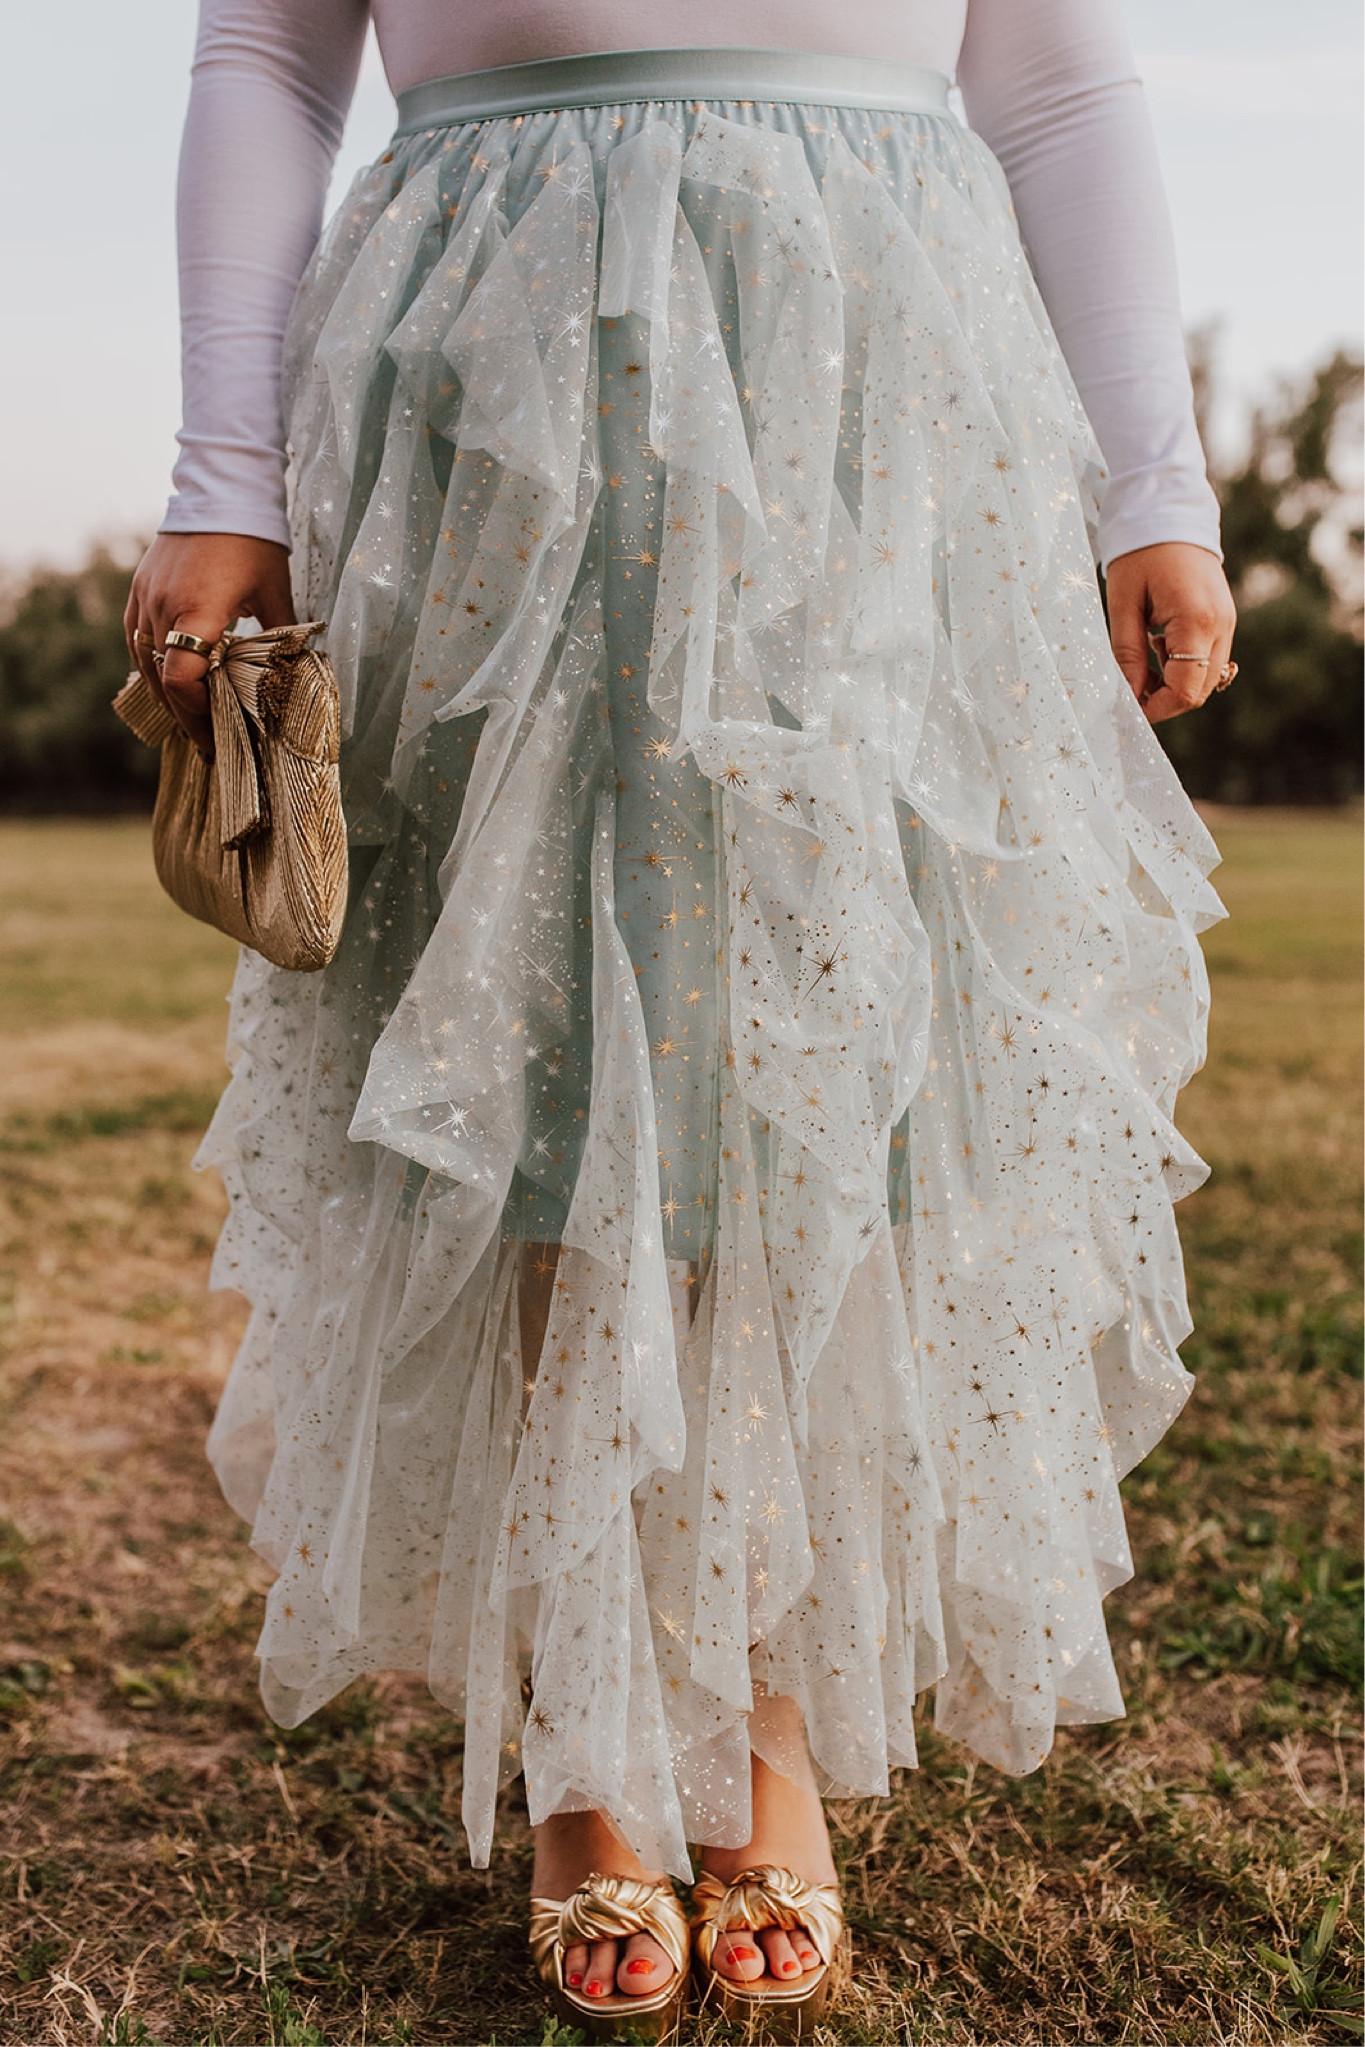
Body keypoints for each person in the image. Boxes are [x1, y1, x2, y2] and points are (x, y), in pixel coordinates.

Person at [126, 0, 1236, 2033]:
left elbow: (1059, 73)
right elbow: (265, 55)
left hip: (875, 370)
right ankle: (592, 1753)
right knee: (534, 1067)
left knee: (817, 1068)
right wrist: (222, 468)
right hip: (498, 348)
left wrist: (1146, 475)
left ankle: (755, 1729)